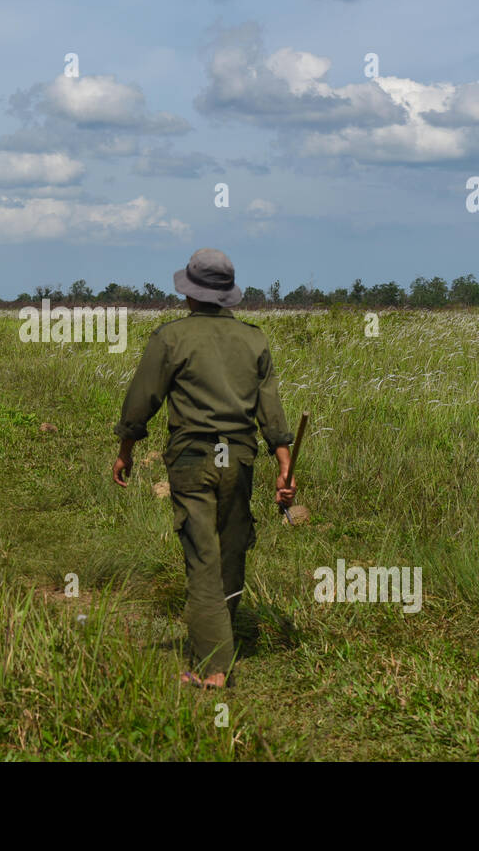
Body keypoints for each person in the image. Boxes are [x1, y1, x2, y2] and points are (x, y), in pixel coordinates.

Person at [112, 248, 297, 689]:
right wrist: (285, 469)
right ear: (227, 297)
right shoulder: (254, 340)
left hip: (194, 456)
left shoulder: (170, 337)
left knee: (203, 557)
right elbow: (271, 414)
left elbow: (142, 402)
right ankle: (222, 637)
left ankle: (214, 666)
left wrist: (126, 450)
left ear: (190, 295)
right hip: (239, 458)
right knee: (231, 548)